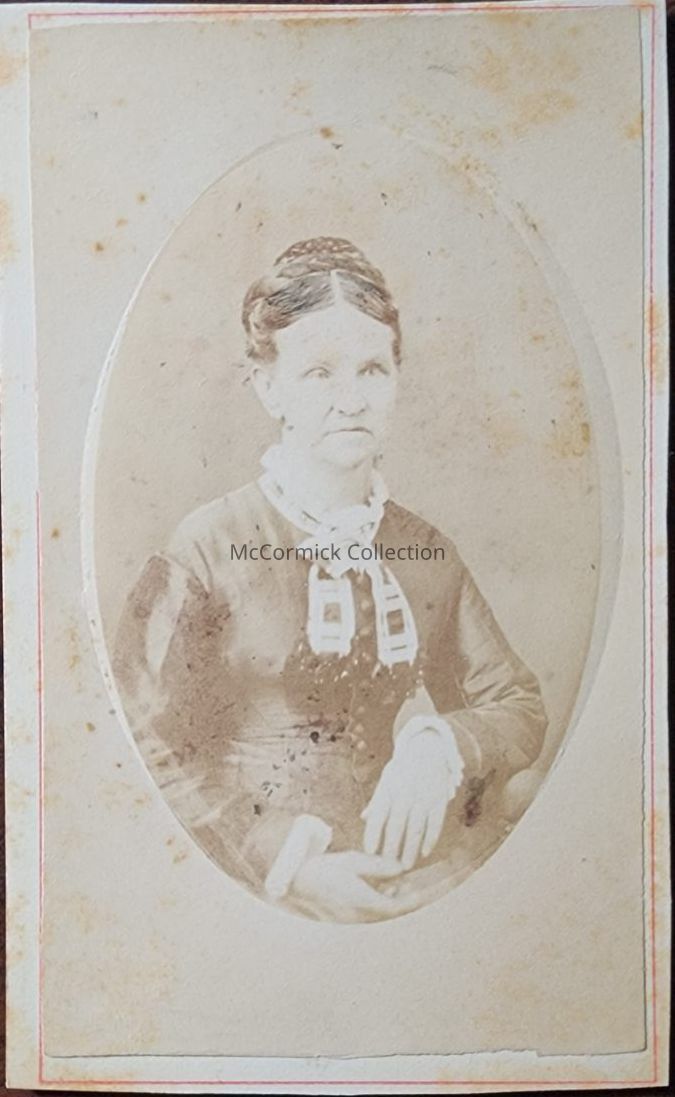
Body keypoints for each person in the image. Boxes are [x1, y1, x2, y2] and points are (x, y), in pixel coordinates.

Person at [112, 236, 547, 923]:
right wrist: (282, 862)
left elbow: (517, 702)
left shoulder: (423, 549)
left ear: (397, 378)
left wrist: (438, 746)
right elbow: (134, 739)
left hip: (402, 877)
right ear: (268, 387)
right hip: (246, 883)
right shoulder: (207, 545)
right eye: (318, 373)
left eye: (372, 369)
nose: (351, 401)